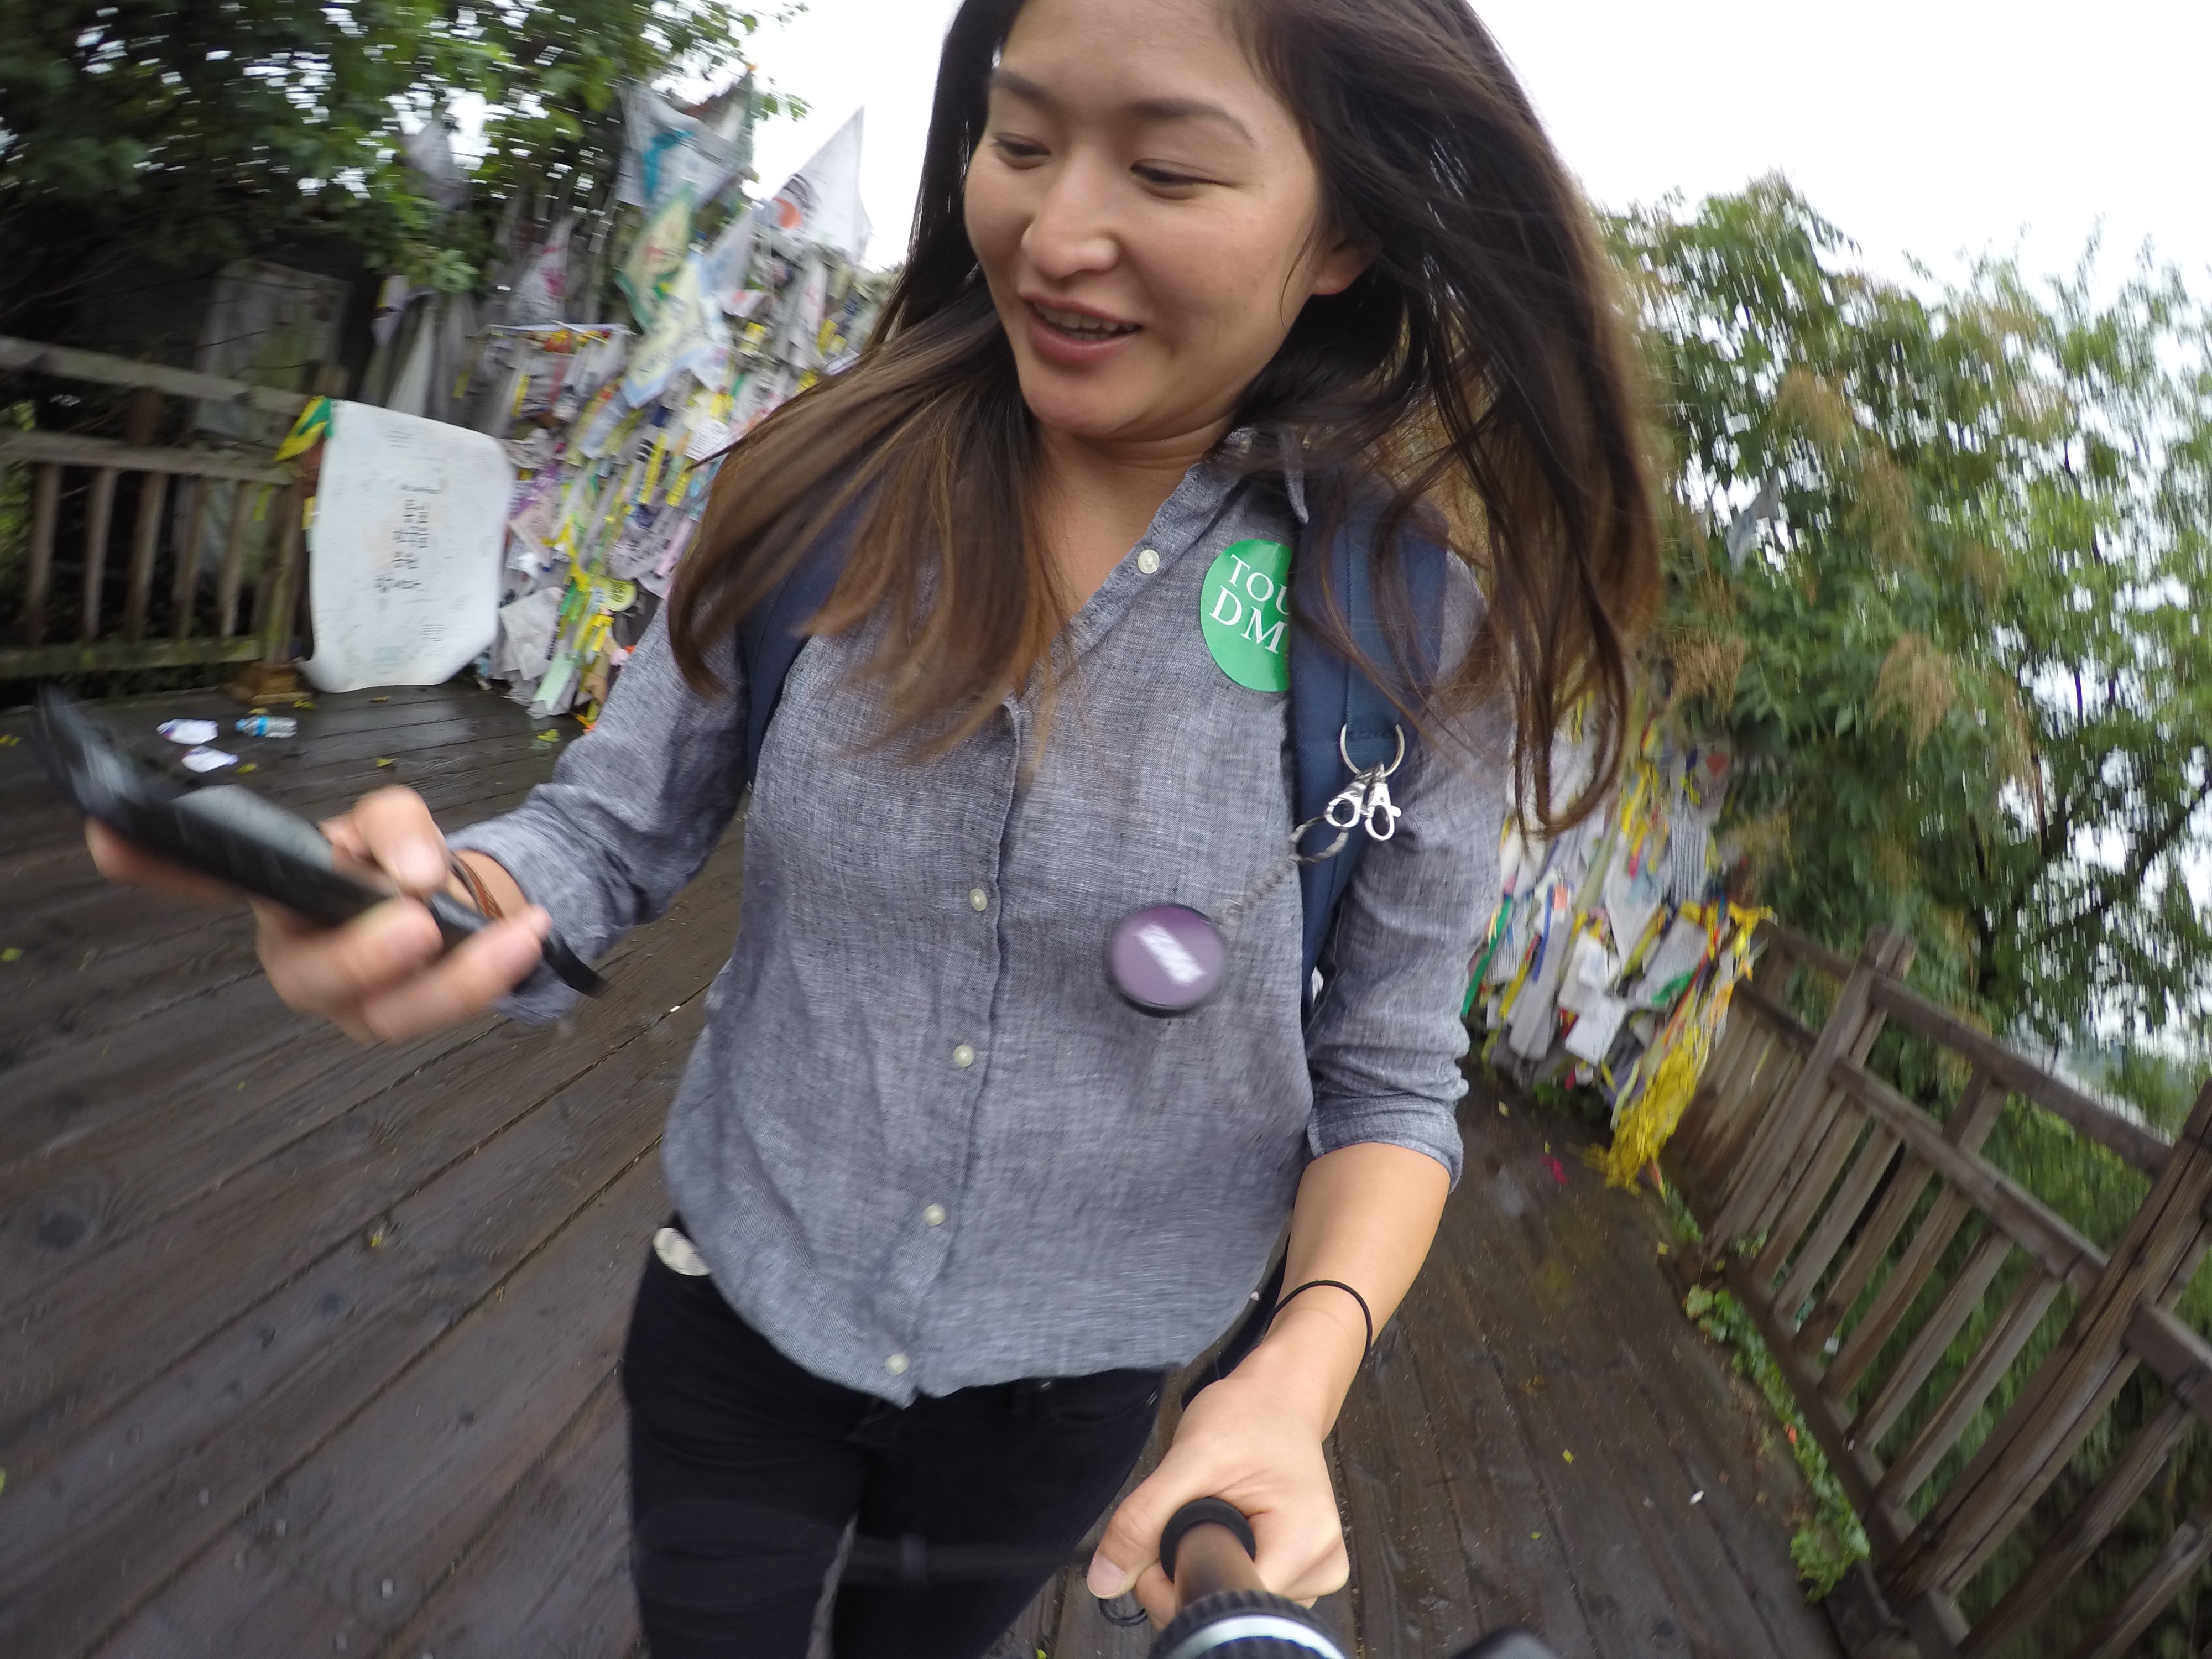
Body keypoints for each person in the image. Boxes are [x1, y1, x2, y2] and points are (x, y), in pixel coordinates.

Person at [91, 0, 1657, 1652]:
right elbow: (605, 838)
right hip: (743, 1305)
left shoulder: (1410, 631)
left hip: (1068, 1390)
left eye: (1168, 171)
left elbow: (1390, 1082)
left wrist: (1292, 1377)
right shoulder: (813, 487)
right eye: (1021, 139)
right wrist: (443, 898)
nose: (1054, 232)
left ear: (1343, 234)